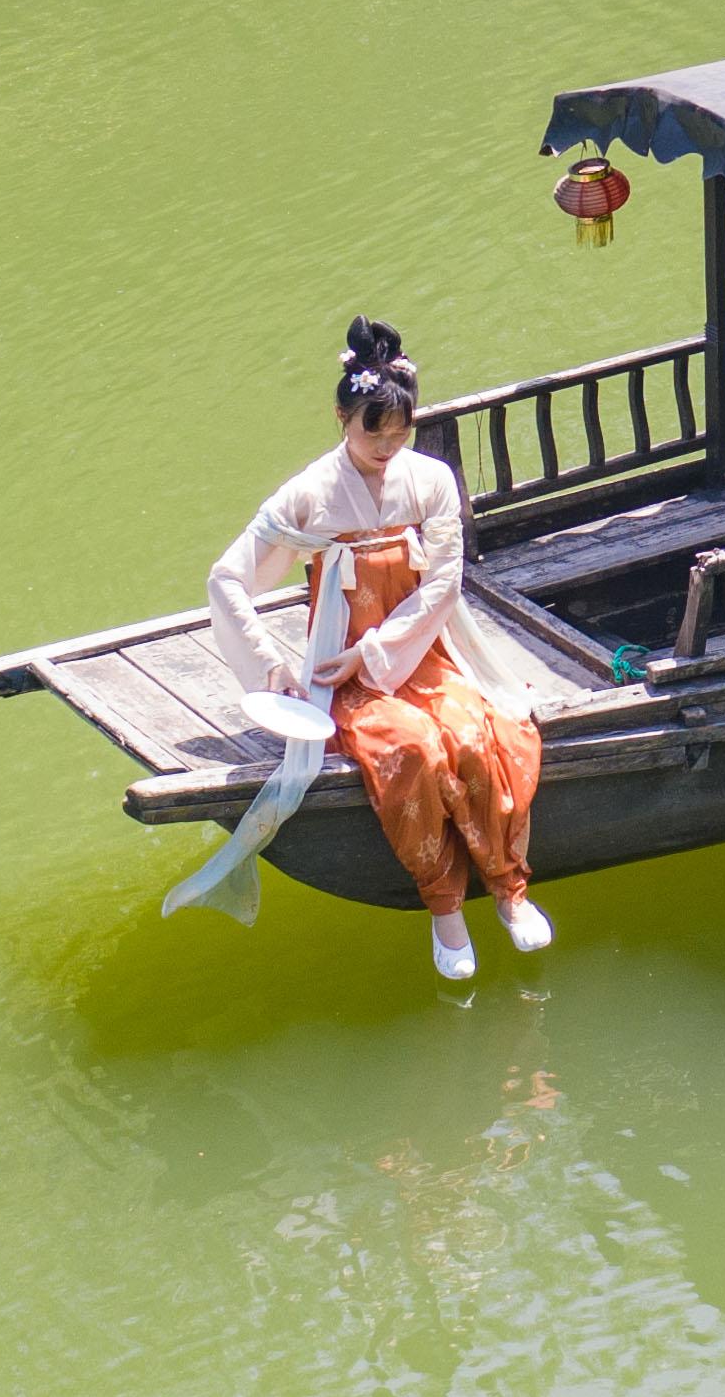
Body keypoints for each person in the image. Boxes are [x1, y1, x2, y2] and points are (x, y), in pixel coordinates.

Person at [202, 318, 551, 981]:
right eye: (373, 431)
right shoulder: (309, 493)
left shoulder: (431, 480)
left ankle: (509, 889)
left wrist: (381, 651)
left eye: (401, 432)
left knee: (480, 734)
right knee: (411, 749)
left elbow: (445, 580)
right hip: (343, 660)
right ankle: (444, 905)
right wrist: (273, 664)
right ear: (341, 416)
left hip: (424, 647)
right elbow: (227, 577)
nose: (389, 446)